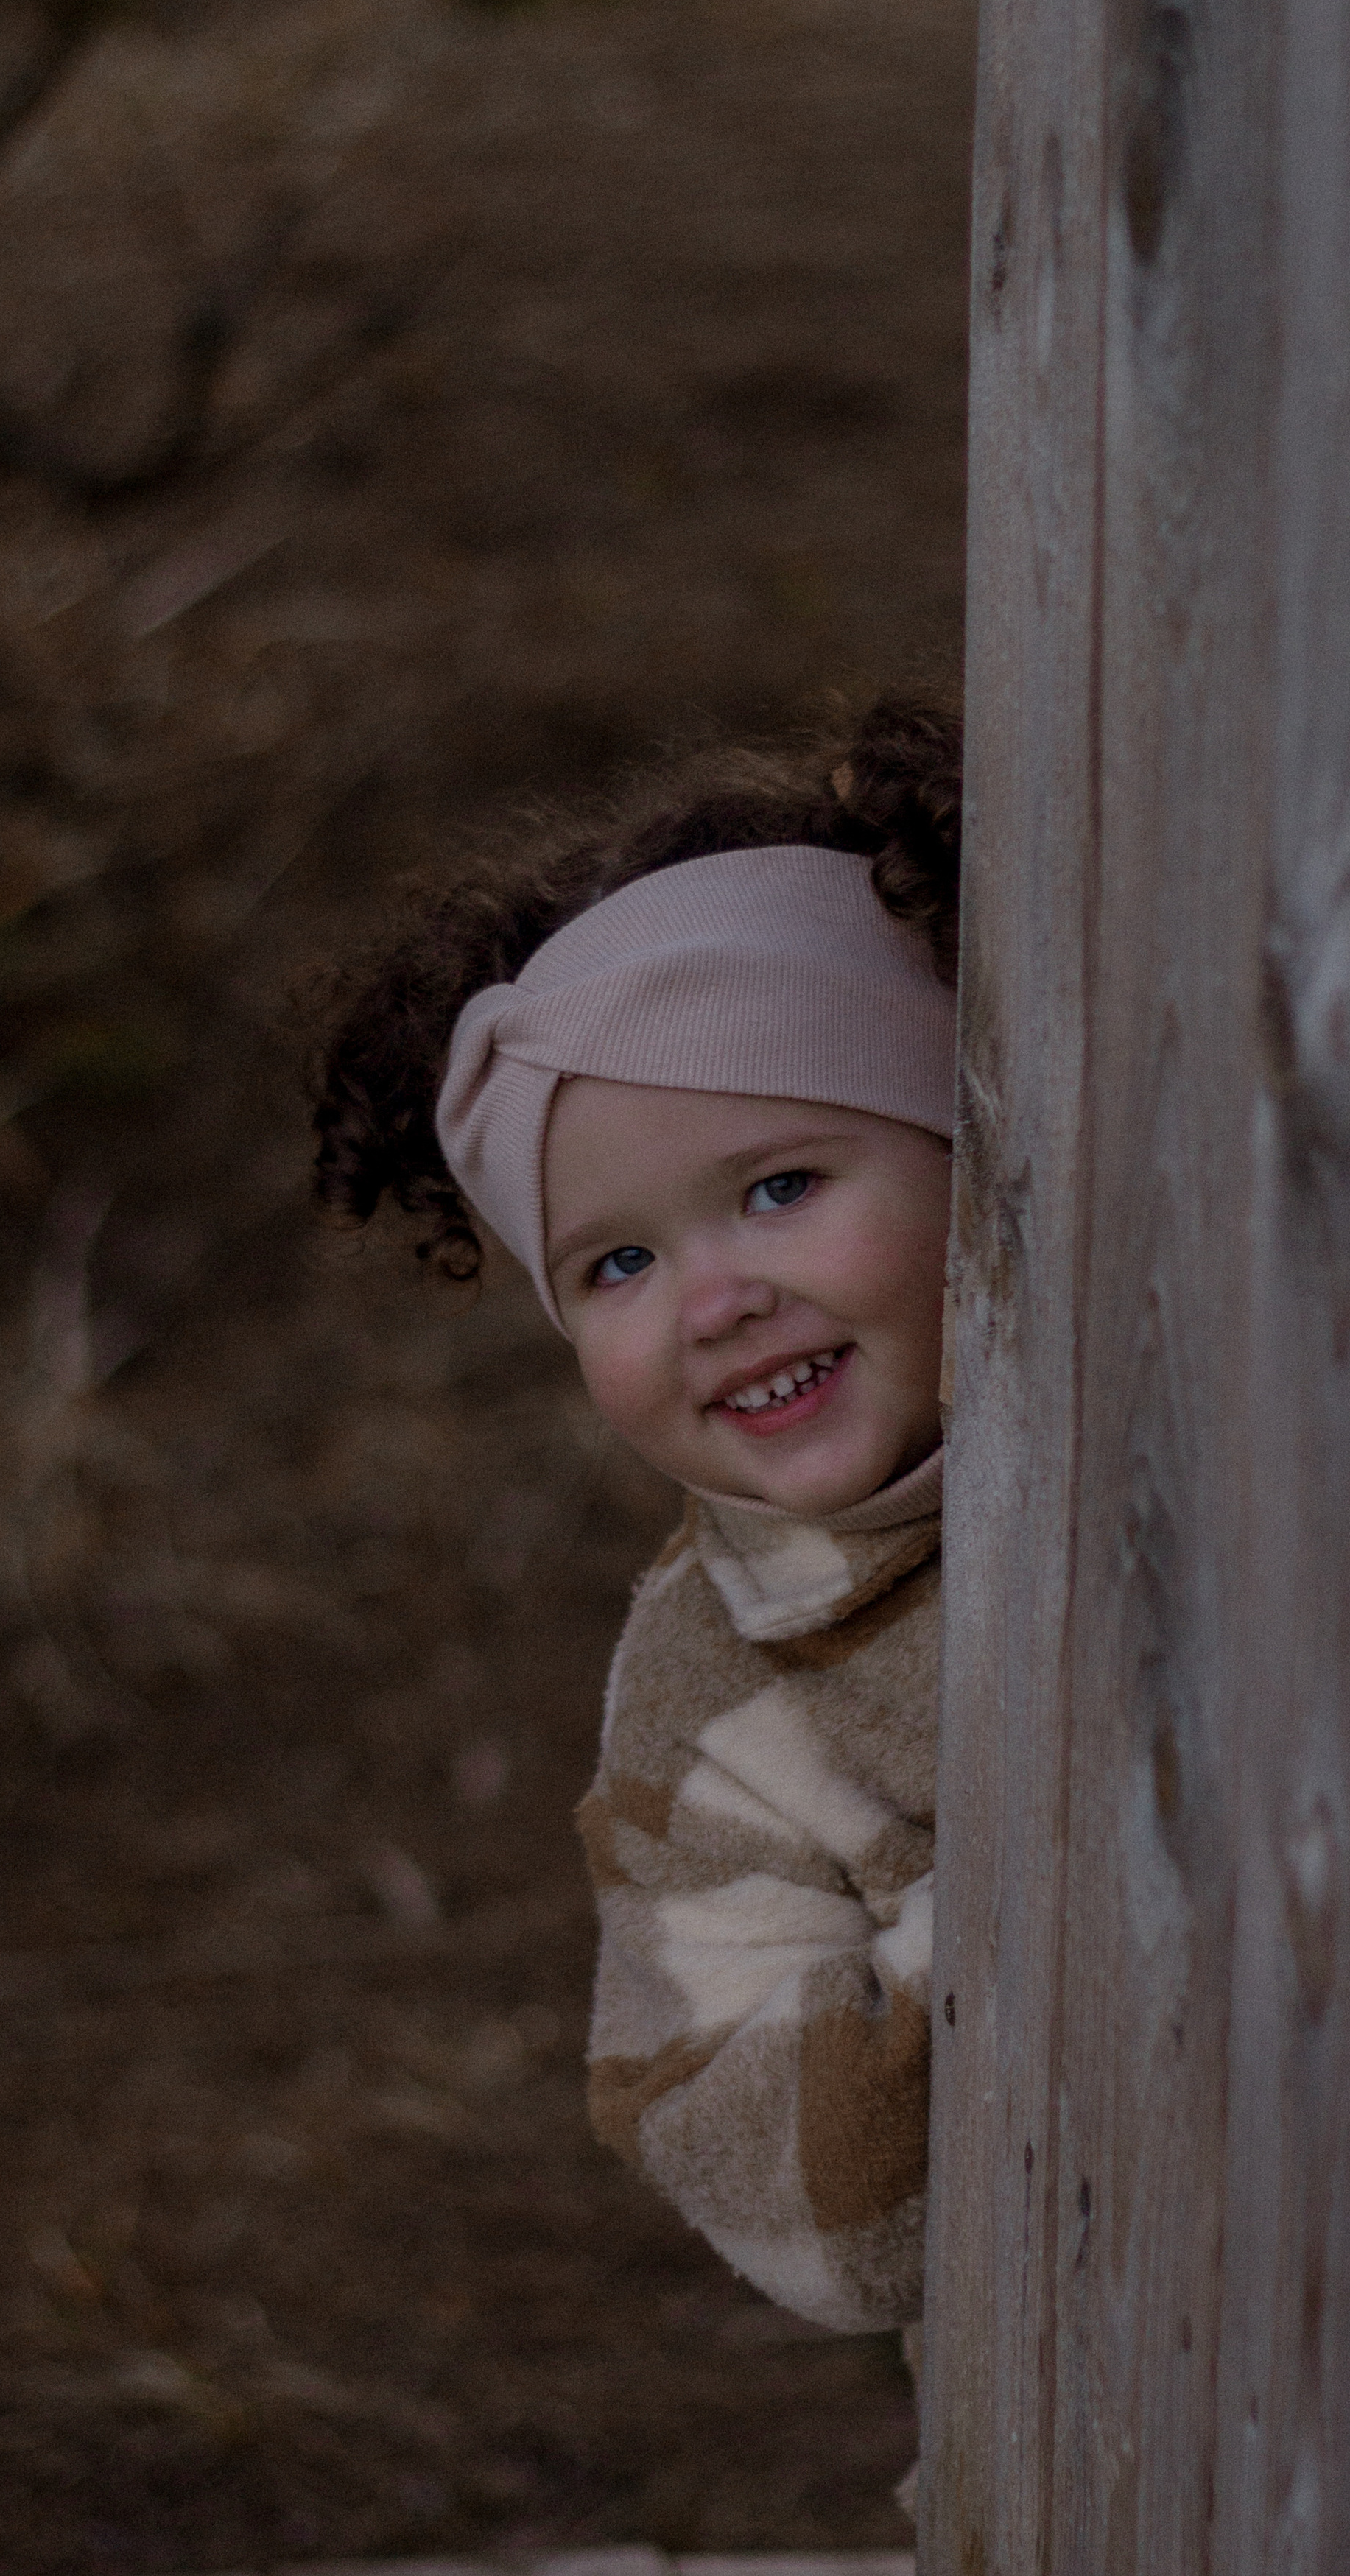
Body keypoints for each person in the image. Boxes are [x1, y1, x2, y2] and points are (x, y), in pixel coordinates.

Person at [310, 694, 958, 2337]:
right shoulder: (713, 1703)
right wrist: (1011, 1907)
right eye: (617, 1262)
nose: (713, 1299)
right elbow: (821, 2244)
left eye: (778, 1187)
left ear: (971, 1155)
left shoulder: (1206, 1425)